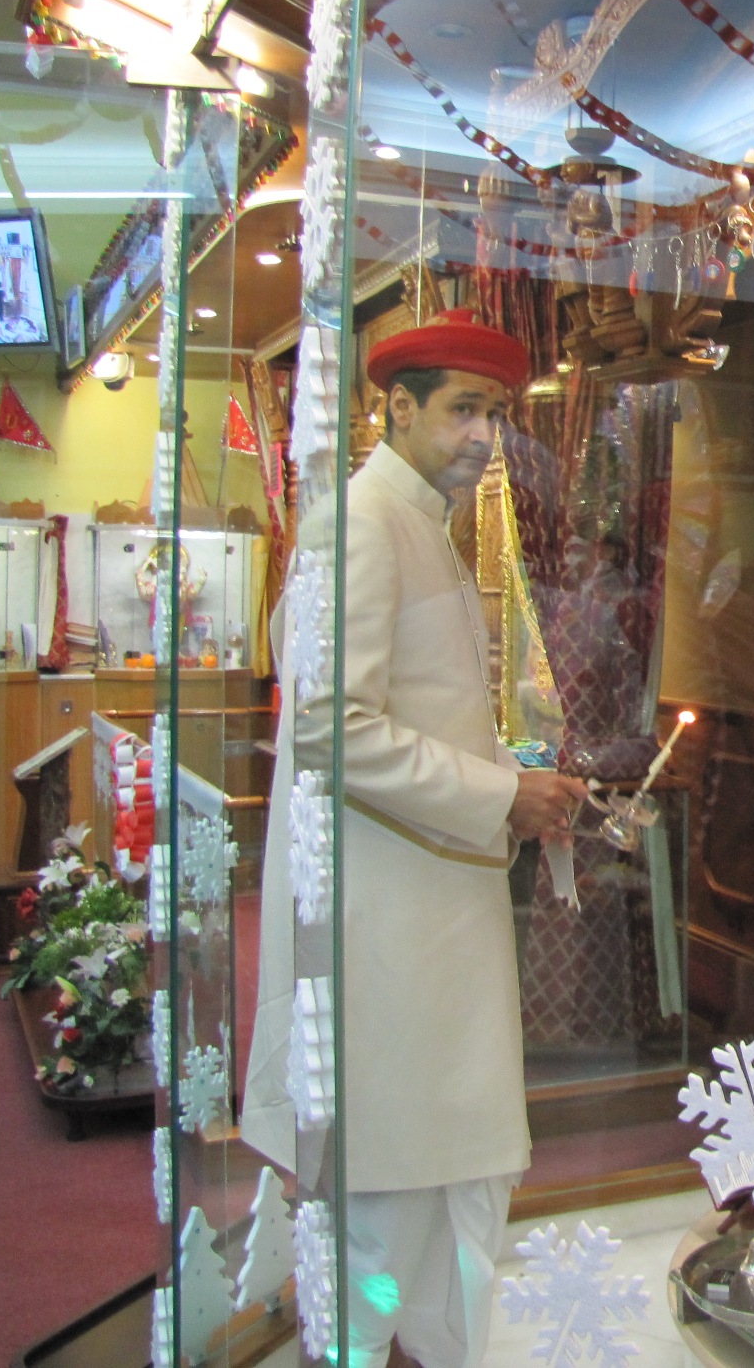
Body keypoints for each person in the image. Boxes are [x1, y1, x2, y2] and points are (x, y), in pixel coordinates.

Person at [243, 308, 586, 1368]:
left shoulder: (416, 518)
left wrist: (514, 778)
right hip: (386, 922)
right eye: (463, 410)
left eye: (496, 412)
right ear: (394, 408)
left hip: (427, 913)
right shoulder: (361, 521)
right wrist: (499, 798)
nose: (485, 434)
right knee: (389, 1189)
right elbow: (324, 730)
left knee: (442, 1179)